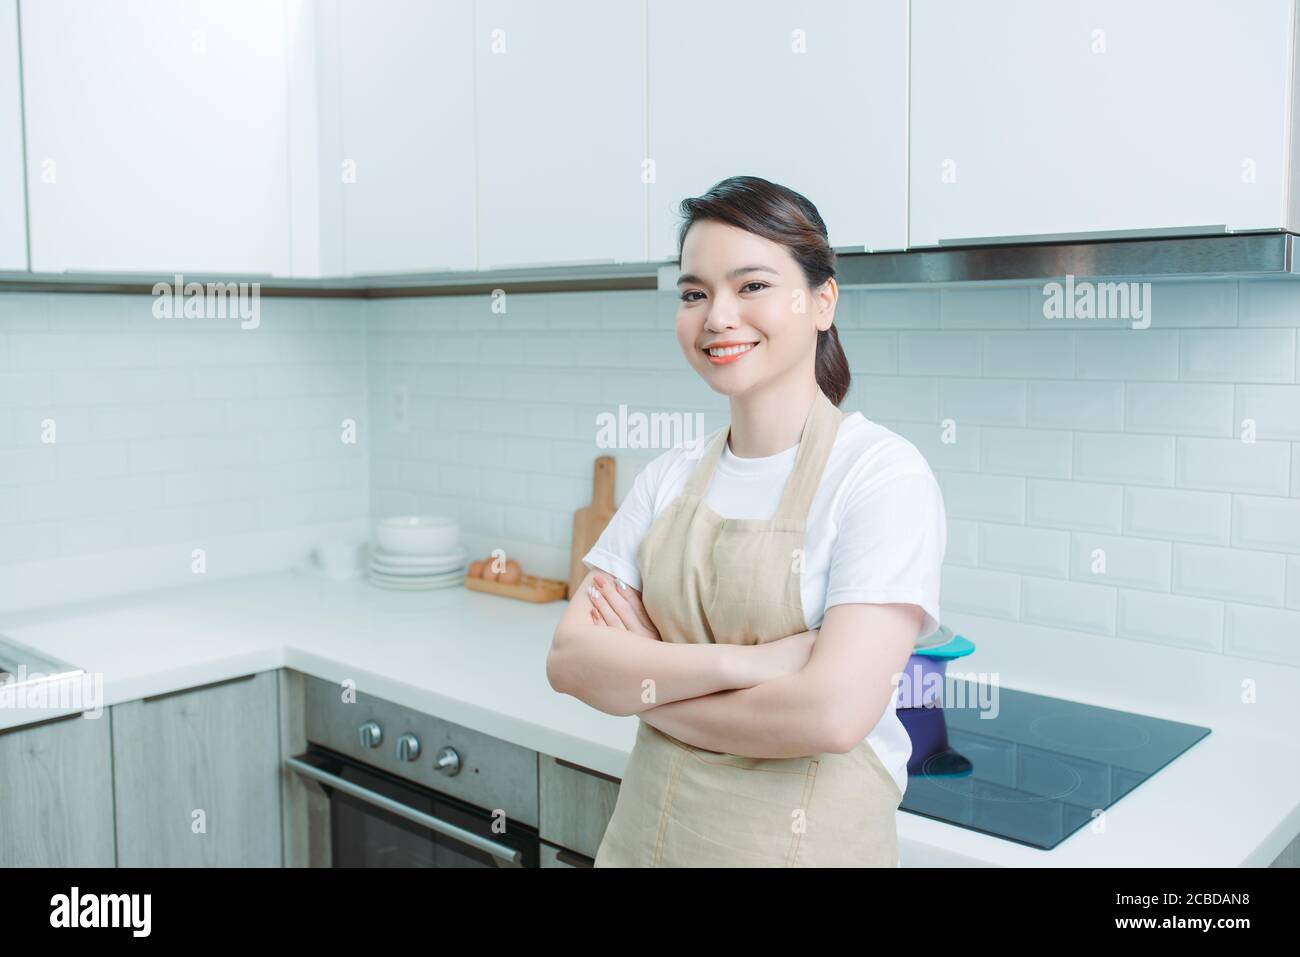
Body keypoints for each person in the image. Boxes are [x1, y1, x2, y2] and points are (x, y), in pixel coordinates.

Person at [545, 175, 946, 867]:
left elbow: (828, 714)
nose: (716, 316)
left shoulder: (880, 475)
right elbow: (571, 661)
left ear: (822, 301)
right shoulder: (669, 475)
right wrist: (751, 663)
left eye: (751, 286)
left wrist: (650, 689)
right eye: (695, 292)